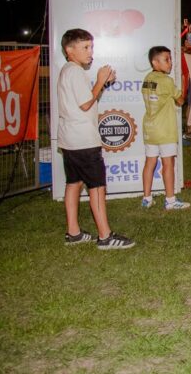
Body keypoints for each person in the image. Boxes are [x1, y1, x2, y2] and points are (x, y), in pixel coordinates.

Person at [57, 28, 135, 250]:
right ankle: (105, 236)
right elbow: (85, 104)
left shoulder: (68, 70)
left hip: (70, 139)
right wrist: (100, 80)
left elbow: (85, 99)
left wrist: (103, 84)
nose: (90, 52)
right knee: (97, 187)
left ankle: (73, 232)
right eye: (85, 47)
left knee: (74, 183)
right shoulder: (75, 72)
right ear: (69, 50)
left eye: (91, 47)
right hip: (83, 140)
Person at [140, 46, 190, 210]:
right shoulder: (166, 81)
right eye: (166, 59)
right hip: (165, 130)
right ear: (155, 62)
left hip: (150, 129)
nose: (170, 63)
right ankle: (170, 200)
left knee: (149, 163)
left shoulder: (147, 78)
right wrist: (183, 86)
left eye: (170, 59)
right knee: (168, 164)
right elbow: (180, 100)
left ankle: (146, 198)